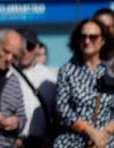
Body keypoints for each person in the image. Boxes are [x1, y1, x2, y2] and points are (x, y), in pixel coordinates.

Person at [53, 18, 114, 148]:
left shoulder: (110, 71)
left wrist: (104, 133)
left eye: (93, 37)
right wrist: (90, 131)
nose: (87, 41)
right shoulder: (67, 70)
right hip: (71, 142)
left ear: (102, 40)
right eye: (83, 36)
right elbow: (62, 109)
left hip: (106, 142)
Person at [12, 27, 57, 147]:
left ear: (37, 48)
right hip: (13, 140)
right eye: (22, 47)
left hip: (42, 141)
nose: (25, 51)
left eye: (30, 46)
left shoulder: (49, 76)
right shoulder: (7, 73)